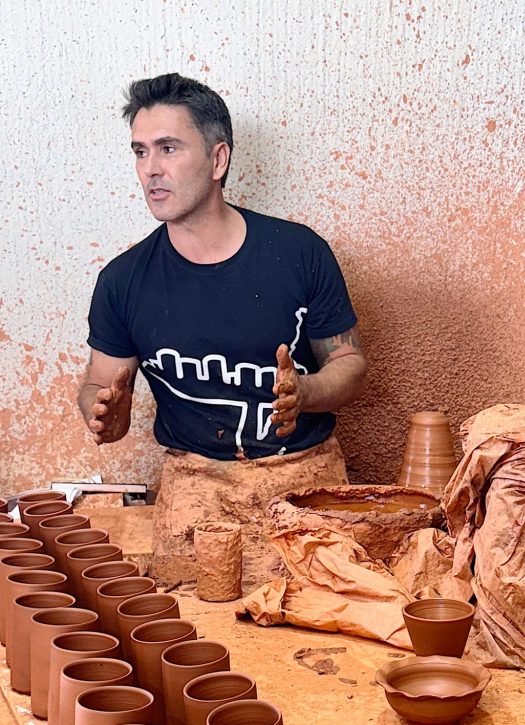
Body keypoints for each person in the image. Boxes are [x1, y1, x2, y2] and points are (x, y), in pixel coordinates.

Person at [78, 73, 366, 585]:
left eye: (168, 148)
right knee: (190, 641)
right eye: (140, 152)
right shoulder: (123, 281)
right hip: (195, 488)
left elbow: (350, 364)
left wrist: (308, 391)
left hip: (303, 484)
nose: (151, 171)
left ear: (218, 160)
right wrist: (104, 412)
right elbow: (101, 391)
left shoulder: (300, 253)